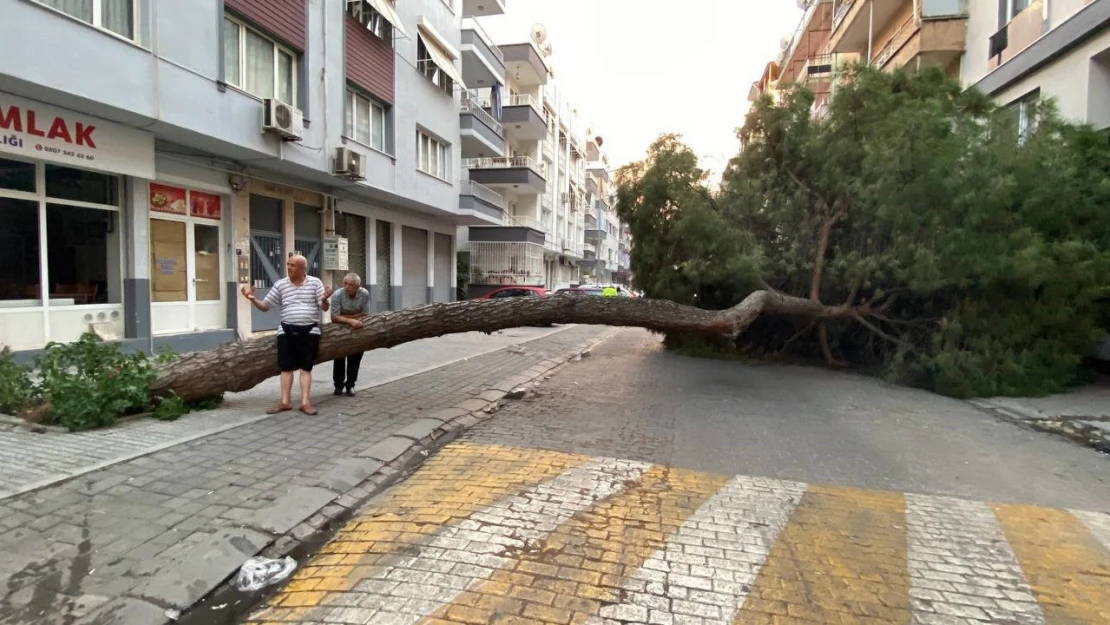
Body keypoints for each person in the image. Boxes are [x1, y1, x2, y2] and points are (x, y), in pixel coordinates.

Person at [241, 254, 333, 416]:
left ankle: (305, 403)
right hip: (286, 330)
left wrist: (325, 299)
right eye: (288, 264)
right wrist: (253, 299)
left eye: (293, 265)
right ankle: (285, 401)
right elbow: (265, 306)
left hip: (310, 330)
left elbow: (324, 307)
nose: (289, 267)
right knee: (286, 367)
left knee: (306, 368)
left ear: (303, 268)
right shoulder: (280, 285)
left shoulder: (315, 283)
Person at [330, 272, 371, 397]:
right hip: (340, 329)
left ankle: (350, 385)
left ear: (358, 286)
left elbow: (365, 314)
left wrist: (344, 316)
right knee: (339, 358)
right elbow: (334, 318)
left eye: (351, 285)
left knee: (355, 358)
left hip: (358, 329)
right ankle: (338, 385)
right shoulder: (337, 295)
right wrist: (352, 319)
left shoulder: (364, 294)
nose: (347, 287)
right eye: (345, 283)